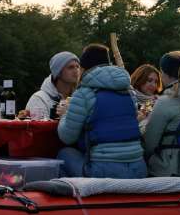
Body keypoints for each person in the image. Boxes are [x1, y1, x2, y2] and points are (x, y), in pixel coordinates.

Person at [56, 43, 147, 178]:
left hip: (104, 171)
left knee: (64, 154)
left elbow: (67, 137)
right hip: (138, 169)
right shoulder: (129, 92)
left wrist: (65, 114)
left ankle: (76, 191)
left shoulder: (84, 93)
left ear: (83, 68)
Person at [25, 51, 80, 119]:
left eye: (78, 66)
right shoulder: (40, 98)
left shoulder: (81, 97)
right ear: (58, 72)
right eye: (70, 67)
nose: (76, 70)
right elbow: (38, 125)